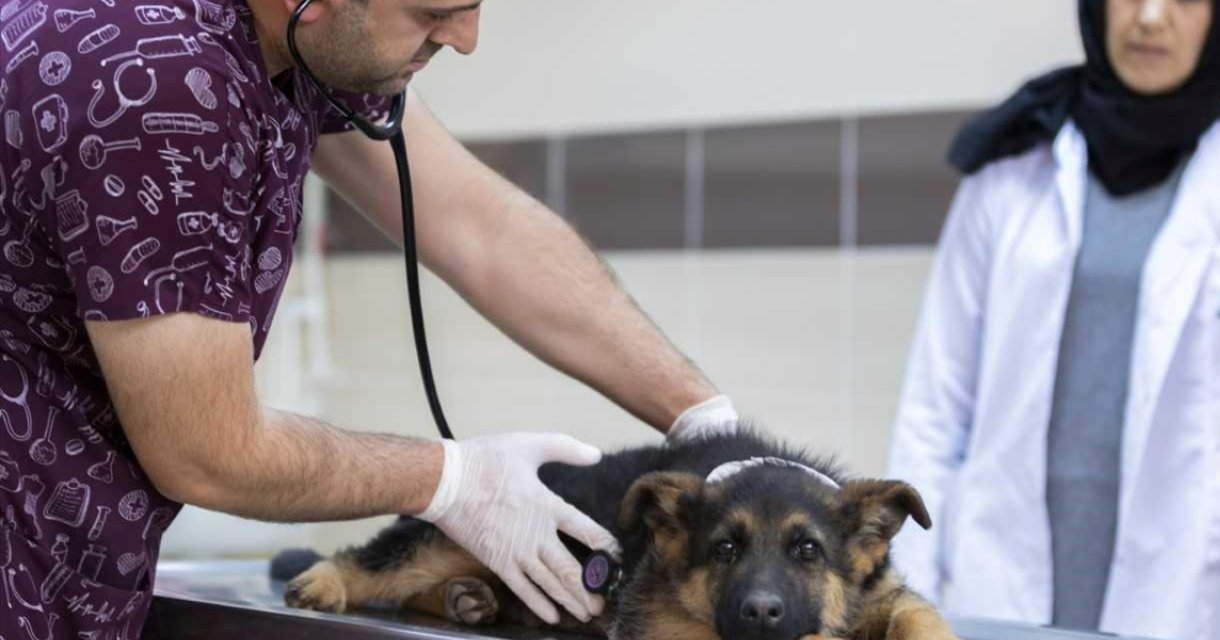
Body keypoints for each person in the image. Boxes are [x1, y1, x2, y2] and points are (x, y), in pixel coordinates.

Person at [0, 1, 742, 637]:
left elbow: (481, 229)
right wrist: (455, 481)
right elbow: (205, 449)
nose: (466, 37)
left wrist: (704, 418)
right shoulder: (160, 83)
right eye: (431, 9)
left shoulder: (292, 53)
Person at [887, 0, 1220, 639]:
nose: (1150, 17)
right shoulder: (1010, 170)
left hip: (1187, 592)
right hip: (1004, 581)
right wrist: (907, 605)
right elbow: (935, 408)